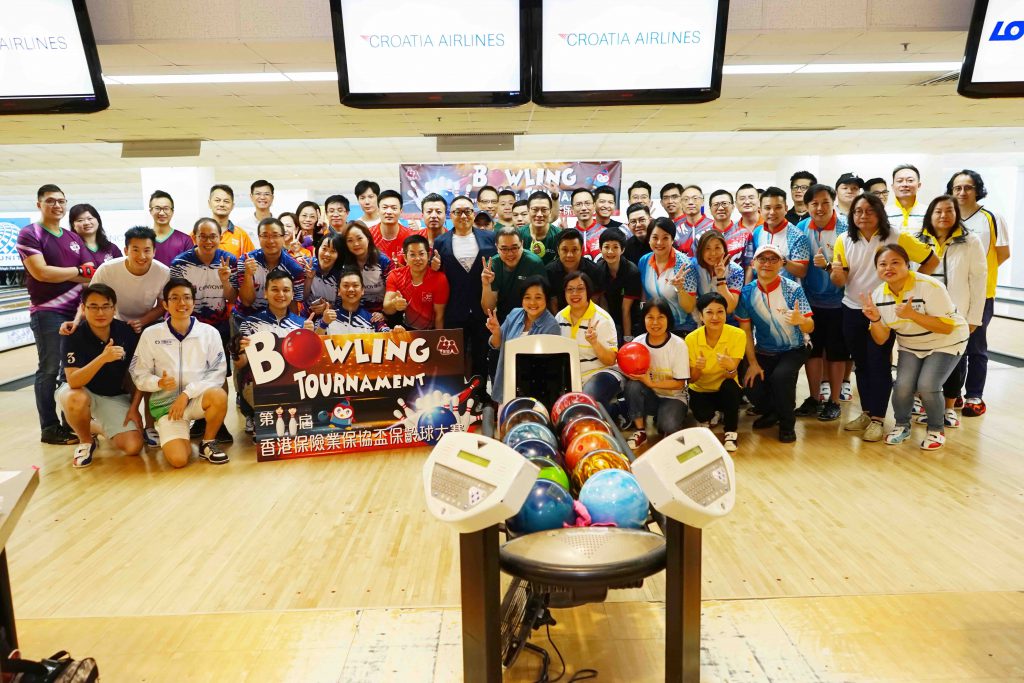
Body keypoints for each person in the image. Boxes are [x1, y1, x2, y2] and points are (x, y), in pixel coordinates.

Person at [831, 192, 937, 441]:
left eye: (870, 210)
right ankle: (867, 413)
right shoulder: (843, 239)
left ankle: (878, 418)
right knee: (861, 363)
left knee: (878, 362)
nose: (863, 216)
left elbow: (931, 261)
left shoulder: (897, 236)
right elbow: (840, 279)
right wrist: (835, 272)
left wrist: (908, 287)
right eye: (858, 211)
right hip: (852, 308)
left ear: (880, 213)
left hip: (884, 311)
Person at [861, 245, 969, 451]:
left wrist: (913, 315)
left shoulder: (930, 286)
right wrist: (875, 319)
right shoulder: (878, 296)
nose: (888, 268)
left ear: (907, 265)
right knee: (902, 386)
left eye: (895, 262)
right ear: (877, 269)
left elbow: (946, 327)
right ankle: (902, 426)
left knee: (927, 385)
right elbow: (881, 339)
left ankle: (936, 430)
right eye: (882, 264)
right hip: (911, 344)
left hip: (947, 341)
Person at [18, 184, 96, 445]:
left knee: (70, 370)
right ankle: (49, 427)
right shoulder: (30, 233)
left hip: (76, 312)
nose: (57, 206)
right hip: (48, 312)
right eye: (51, 201)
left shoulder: (72, 237)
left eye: (61, 201)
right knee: (50, 369)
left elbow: (90, 271)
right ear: (39, 204)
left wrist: (68, 273)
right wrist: (77, 272)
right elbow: (41, 272)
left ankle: (69, 424)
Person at [130, 278, 229, 467]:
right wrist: (158, 383)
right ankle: (176, 434)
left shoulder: (209, 333)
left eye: (187, 297)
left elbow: (217, 373)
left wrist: (187, 394)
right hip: (168, 408)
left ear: (193, 301)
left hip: (197, 399)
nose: (181, 303)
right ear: (165, 304)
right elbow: (138, 374)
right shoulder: (151, 334)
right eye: (174, 298)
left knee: (219, 395)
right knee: (178, 460)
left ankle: (208, 442)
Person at [914, 195, 986, 428]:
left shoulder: (970, 241)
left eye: (949, 211)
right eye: (938, 211)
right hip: (923, 313)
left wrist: (974, 318)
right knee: (923, 358)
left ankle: (948, 408)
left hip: (956, 313)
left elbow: (978, 281)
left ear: (957, 214)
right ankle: (928, 406)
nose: (943, 215)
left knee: (954, 360)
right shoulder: (918, 239)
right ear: (930, 214)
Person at [947, 169, 1011, 417]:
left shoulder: (992, 217)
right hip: (952, 293)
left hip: (982, 293)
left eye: (968, 187)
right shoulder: (948, 216)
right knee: (955, 346)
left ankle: (975, 395)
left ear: (978, 190)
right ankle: (955, 393)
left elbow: (1003, 253)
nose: (962, 192)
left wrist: (978, 275)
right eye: (957, 188)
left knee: (976, 346)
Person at [58, 284, 144, 467]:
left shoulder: (126, 332)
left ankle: (92, 425)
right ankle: (86, 441)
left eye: (106, 306)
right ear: (83, 308)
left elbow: (138, 376)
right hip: (80, 391)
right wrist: (103, 358)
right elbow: (73, 381)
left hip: (112, 395)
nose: (100, 312)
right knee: (76, 399)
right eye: (93, 307)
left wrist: (134, 408)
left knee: (133, 446)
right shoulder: (73, 334)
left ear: (114, 309)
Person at [736, 244, 814, 444]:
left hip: (795, 348)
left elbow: (810, 326)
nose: (767, 264)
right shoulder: (747, 293)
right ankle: (772, 413)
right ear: (753, 264)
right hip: (764, 350)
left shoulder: (793, 289)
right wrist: (752, 363)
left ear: (781, 264)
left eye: (773, 259)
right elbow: (745, 331)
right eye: (762, 259)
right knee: (750, 383)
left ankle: (787, 424)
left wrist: (801, 321)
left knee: (781, 378)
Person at [170, 218, 237, 444]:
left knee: (221, 373)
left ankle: (218, 422)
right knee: (195, 371)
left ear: (220, 237)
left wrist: (225, 281)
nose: (208, 241)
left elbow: (232, 298)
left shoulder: (230, 260)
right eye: (203, 236)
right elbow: (176, 297)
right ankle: (199, 418)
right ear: (194, 237)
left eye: (213, 236)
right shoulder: (180, 263)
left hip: (219, 325)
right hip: (190, 326)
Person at [795, 184, 849, 421]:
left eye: (825, 202)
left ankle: (834, 401)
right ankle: (814, 398)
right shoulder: (801, 228)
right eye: (814, 204)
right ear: (807, 206)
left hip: (841, 302)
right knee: (813, 352)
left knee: (837, 353)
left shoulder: (846, 229)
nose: (820, 208)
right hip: (811, 302)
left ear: (833, 202)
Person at [234, 271, 312, 433]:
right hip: (260, 384)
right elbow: (241, 364)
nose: (281, 294)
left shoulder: (302, 324)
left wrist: (311, 336)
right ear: (265, 293)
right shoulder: (249, 324)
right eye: (275, 289)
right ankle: (254, 415)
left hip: (294, 382)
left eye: (286, 290)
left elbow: (309, 362)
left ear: (292, 294)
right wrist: (236, 351)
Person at [433, 195, 496, 385]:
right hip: (454, 309)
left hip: (482, 309)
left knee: (481, 356)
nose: (463, 216)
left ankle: (481, 396)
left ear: (473, 214)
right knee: (454, 358)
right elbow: (439, 275)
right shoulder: (441, 242)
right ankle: (456, 395)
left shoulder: (489, 238)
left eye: (467, 211)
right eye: (457, 212)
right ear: (450, 215)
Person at [623, 298, 690, 450]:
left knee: (668, 425)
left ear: (668, 319)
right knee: (632, 386)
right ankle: (640, 431)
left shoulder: (678, 345)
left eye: (660, 317)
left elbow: (680, 384)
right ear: (643, 319)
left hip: (674, 397)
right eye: (650, 317)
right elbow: (631, 374)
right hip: (650, 396)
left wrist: (651, 382)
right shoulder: (638, 342)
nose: (655, 322)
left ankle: (669, 419)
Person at [486, 275, 560, 404]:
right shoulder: (514, 314)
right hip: (506, 386)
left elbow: (548, 368)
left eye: (538, 297)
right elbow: (496, 345)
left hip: (535, 393)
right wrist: (496, 332)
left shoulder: (552, 326)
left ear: (546, 299)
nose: (532, 303)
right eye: (527, 297)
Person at [686, 292, 745, 452]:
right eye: (709, 312)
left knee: (730, 387)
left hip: (724, 387)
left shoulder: (738, 335)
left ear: (726, 314)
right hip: (701, 389)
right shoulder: (691, 339)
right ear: (701, 316)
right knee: (702, 414)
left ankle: (731, 432)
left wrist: (730, 366)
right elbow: (692, 380)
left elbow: (731, 375)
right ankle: (710, 416)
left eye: (720, 312)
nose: (715, 317)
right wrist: (698, 367)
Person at [555, 271, 622, 412]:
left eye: (580, 289)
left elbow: (611, 360)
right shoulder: (559, 318)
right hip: (572, 376)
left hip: (601, 372)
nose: (575, 293)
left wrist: (595, 343)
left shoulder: (602, 319)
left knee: (585, 402)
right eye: (570, 289)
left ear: (588, 291)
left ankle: (618, 410)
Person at [90, 226, 171, 334]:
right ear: (126, 251)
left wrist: (142, 321)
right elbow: (91, 299)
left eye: (147, 250)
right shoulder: (106, 270)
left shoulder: (163, 272)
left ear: (154, 252)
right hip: (113, 321)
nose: (142, 256)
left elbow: (162, 306)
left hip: (148, 322)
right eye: (135, 250)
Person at [237, 217, 305, 316]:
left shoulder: (294, 268)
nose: (270, 241)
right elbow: (246, 302)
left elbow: (292, 304)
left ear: (283, 237)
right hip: (245, 317)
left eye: (275, 235)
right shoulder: (246, 260)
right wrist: (248, 274)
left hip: (277, 319)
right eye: (265, 236)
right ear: (259, 238)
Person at [679, 230, 743, 332]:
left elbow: (730, 308)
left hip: (727, 322)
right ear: (700, 250)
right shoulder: (691, 267)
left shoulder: (736, 270)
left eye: (717, 248)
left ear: (724, 249)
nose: (713, 253)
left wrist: (721, 278)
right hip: (697, 322)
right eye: (707, 248)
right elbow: (689, 306)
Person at [637, 217, 690, 337]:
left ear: (672, 239)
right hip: (655, 325)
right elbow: (644, 296)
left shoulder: (684, 264)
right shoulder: (644, 261)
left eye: (665, 238)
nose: (659, 242)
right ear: (649, 239)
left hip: (681, 327)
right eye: (655, 237)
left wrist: (680, 288)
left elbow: (689, 308)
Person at [384, 234, 449, 330]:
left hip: (431, 330)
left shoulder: (440, 279)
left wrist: (438, 337)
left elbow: (440, 317)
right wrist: (394, 304)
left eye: (421, 254)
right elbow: (387, 309)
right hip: (405, 329)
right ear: (405, 258)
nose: (417, 258)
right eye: (412, 255)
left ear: (428, 255)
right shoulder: (395, 275)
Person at [483, 227, 547, 322]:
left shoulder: (534, 263)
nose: (510, 254)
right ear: (497, 247)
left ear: (522, 244)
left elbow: (542, 302)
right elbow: (488, 310)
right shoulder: (492, 266)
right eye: (504, 249)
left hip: (531, 318)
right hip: (504, 320)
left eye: (514, 248)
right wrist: (486, 285)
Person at [751, 187, 810, 283]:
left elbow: (802, 272)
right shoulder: (757, 232)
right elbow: (752, 264)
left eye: (778, 207)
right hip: (761, 289)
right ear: (760, 210)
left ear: (786, 209)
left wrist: (782, 260)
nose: (772, 212)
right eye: (767, 208)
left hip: (788, 291)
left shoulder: (797, 236)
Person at [597, 230, 642, 343]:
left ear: (622, 250)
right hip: (611, 318)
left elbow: (626, 309)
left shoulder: (632, 272)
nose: (610, 251)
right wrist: (607, 328)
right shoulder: (598, 269)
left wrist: (627, 338)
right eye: (606, 247)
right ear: (600, 249)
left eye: (615, 247)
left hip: (631, 319)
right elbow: (602, 300)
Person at [341, 220, 391, 315]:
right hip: (355, 312)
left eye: (359, 238)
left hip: (381, 313)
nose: (356, 244)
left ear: (368, 238)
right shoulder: (344, 263)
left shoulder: (383, 261)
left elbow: (392, 290)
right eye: (350, 240)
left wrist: (384, 314)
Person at [545, 229, 603, 311]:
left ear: (581, 250)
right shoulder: (549, 271)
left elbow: (596, 299)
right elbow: (552, 301)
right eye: (564, 250)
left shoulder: (594, 270)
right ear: (558, 250)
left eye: (574, 250)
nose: (569, 255)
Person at [321, 269, 393, 335]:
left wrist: (396, 332)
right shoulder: (327, 317)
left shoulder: (374, 319)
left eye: (355, 285)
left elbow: (388, 335)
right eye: (346, 285)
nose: (351, 289)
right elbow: (316, 340)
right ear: (339, 291)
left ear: (362, 290)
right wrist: (323, 323)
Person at [707, 190, 753, 270]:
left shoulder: (745, 234)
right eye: (716, 204)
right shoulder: (701, 236)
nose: (720, 208)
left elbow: (749, 266)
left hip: (738, 277)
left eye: (724, 203)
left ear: (733, 207)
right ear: (710, 209)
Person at [148, 191, 194, 266]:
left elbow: (191, 268)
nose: (161, 213)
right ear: (150, 211)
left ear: (172, 211)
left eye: (166, 208)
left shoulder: (185, 240)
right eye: (157, 208)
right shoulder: (143, 239)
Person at [303, 231, 344, 315]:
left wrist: (329, 307)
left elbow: (343, 305)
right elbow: (301, 298)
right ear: (318, 249)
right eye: (324, 249)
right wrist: (309, 279)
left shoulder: (342, 275)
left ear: (339, 255)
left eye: (333, 251)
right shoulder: (307, 265)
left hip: (332, 317)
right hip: (306, 315)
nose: (327, 254)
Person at [371, 189, 416, 264]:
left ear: (401, 212)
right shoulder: (368, 235)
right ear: (378, 210)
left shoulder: (411, 236)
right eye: (385, 207)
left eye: (394, 208)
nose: (389, 212)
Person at [209, 184, 255, 258]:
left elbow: (252, 261)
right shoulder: (197, 233)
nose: (221, 204)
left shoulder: (241, 235)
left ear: (232, 206)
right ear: (209, 203)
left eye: (226, 201)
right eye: (217, 200)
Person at [518, 190, 561, 264]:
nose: (539, 214)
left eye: (544, 210)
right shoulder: (519, 234)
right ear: (528, 210)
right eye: (535, 210)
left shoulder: (559, 235)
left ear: (550, 211)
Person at [675, 185, 715, 256]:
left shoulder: (713, 226)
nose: (690, 202)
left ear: (702, 201)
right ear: (681, 203)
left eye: (695, 198)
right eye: (686, 199)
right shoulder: (675, 228)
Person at [887, 164, 925, 230]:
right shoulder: (883, 213)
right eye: (899, 181)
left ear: (919, 185)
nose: (904, 184)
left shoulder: (928, 212)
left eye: (910, 180)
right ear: (893, 187)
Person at [570, 188, 604, 260]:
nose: (583, 208)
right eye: (578, 204)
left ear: (594, 206)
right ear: (572, 209)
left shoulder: (605, 233)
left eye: (587, 203)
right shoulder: (569, 236)